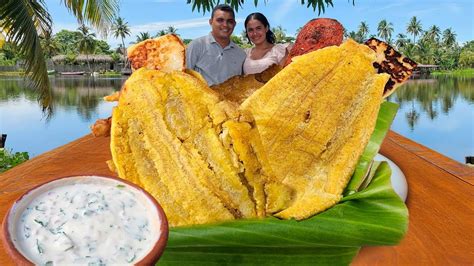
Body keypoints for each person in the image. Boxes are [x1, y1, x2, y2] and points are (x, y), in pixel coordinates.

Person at [186, 4, 246, 86]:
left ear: (234, 24)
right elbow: (184, 77)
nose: (225, 25)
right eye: (220, 20)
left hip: (230, 98)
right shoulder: (196, 45)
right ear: (211, 22)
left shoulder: (241, 54)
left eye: (230, 21)